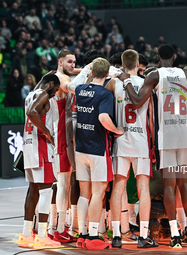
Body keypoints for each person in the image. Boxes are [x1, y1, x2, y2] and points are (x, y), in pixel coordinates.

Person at [118, 44, 187, 248]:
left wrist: (127, 82)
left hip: (166, 134)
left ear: (158, 57)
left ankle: (175, 234)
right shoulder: (186, 74)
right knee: (184, 184)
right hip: (185, 133)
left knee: (169, 185)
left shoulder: (155, 75)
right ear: (175, 57)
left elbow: (138, 101)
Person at [66, 57, 124, 249]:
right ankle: (92, 236)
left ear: (91, 72)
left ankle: (82, 233)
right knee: (98, 194)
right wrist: (117, 130)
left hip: (80, 148)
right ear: (107, 75)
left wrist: (86, 70)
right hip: (97, 149)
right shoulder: (105, 93)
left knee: (85, 194)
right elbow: (103, 117)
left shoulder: (81, 89)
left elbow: (72, 85)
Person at [108, 49, 158, 248]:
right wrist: (154, 144)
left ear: (122, 64)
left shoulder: (114, 83)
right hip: (141, 141)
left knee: (118, 187)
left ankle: (117, 234)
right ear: (138, 64)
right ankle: (144, 235)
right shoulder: (147, 84)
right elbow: (151, 119)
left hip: (121, 140)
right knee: (143, 188)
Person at [18, 73, 61, 249]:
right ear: (50, 84)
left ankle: (27, 234)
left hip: (29, 147)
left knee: (33, 191)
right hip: (41, 148)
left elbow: (31, 106)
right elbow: (31, 112)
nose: (54, 94)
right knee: (45, 192)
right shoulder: (43, 94)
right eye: (55, 90)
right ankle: (42, 235)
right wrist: (47, 132)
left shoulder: (31, 94)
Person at [49, 49, 78, 243]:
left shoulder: (53, 76)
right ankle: (59, 229)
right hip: (60, 136)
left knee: (60, 185)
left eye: (74, 62)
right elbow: (72, 87)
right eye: (69, 62)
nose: (73, 65)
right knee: (63, 185)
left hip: (60, 135)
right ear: (60, 62)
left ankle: (54, 226)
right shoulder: (61, 80)